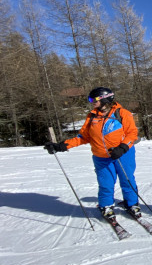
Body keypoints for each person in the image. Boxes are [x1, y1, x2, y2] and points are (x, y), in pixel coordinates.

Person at [44, 87, 140, 220]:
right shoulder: (92, 116)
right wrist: (61, 146)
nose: (91, 102)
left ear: (104, 99)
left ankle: (132, 204)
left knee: (127, 179)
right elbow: (83, 137)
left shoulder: (122, 113)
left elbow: (132, 134)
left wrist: (122, 148)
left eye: (93, 100)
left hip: (123, 154)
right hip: (101, 157)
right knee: (105, 183)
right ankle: (106, 206)